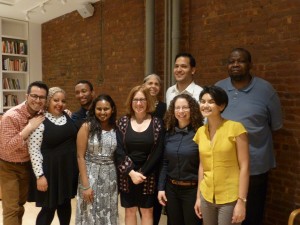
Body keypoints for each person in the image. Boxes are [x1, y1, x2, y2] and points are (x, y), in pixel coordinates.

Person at [215, 48, 283, 225]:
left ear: (250, 64)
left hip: (255, 166)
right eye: (231, 61)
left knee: (251, 215)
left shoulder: (266, 90)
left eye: (240, 61)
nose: (235, 64)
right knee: (226, 216)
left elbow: (276, 125)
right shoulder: (218, 88)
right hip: (225, 166)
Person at [194, 86, 249, 225]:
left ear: (222, 105)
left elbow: (245, 166)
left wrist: (241, 202)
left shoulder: (235, 128)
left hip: (229, 197)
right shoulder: (200, 131)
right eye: (203, 101)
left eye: (211, 102)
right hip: (206, 195)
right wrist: (198, 197)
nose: (205, 105)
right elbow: (202, 166)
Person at [28, 87, 78, 225]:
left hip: (66, 171)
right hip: (49, 172)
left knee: (65, 205)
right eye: (56, 100)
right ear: (48, 101)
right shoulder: (40, 121)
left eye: (63, 101)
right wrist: (40, 175)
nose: (60, 104)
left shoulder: (66, 115)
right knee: (48, 208)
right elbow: (34, 150)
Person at [0, 81, 48, 225]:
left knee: (20, 206)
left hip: (26, 165)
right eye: (34, 96)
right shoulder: (11, 116)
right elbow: (7, 147)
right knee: (11, 209)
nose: (38, 100)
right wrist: (28, 128)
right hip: (8, 166)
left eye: (42, 97)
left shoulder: (41, 113)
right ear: (26, 96)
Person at [116, 85, 164, 225]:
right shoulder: (123, 122)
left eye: (142, 99)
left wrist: (141, 173)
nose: (139, 103)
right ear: (130, 102)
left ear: (148, 101)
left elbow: (158, 152)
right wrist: (131, 172)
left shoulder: (157, 123)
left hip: (148, 175)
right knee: (130, 211)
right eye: (135, 99)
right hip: (127, 175)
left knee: (147, 211)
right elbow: (119, 151)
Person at [158, 94, 203, 225]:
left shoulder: (200, 133)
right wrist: (161, 188)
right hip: (171, 189)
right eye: (177, 108)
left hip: (192, 190)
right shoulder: (169, 133)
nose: (181, 111)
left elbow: (204, 165)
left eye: (185, 107)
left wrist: (200, 196)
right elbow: (165, 163)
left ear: (192, 109)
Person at [76, 94, 118, 225]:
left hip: (110, 176)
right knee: (89, 212)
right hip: (90, 175)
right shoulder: (87, 127)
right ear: (94, 110)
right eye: (99, 109)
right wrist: (85, 185)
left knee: (108, 210)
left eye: (106, 109)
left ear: (112, 109)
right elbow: (80, 157)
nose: (103, 112)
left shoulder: (116, 127)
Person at [143, 73, 166, 225]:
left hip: (157, 158)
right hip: (140, 158)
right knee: (143, 201)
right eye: (149, 83)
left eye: (156, 84)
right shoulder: (138, 104)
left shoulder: (164, 107)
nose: (153, 86)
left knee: (155, 200)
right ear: (144, 85)